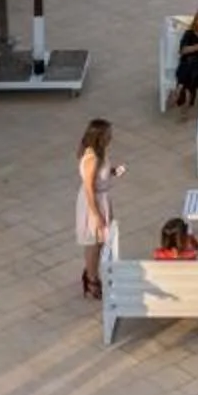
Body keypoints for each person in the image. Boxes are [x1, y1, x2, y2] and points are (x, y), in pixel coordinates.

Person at [75, 119, 122, 300]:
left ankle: (90, 271)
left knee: (102, 240)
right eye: (108, 135)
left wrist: (113, 171)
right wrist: (97, 216)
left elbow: (99, 175)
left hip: (102, 199)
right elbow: (88, 188)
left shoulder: (100, 153)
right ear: (99, 137)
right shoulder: (91, 158)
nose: (111, 138)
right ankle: (91, 279)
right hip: (93, 203)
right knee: (94, 243)